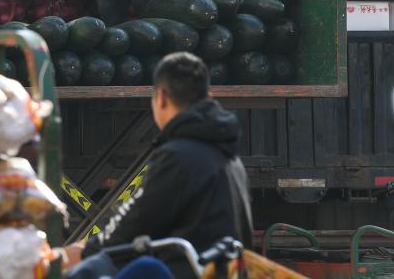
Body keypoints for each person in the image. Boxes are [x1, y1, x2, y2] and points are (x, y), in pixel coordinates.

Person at [63, 53, 254, 278]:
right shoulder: (231, 159)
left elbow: (129, 230)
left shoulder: (179, 156)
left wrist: (68, 257)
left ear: (161, 98)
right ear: (209, 96)